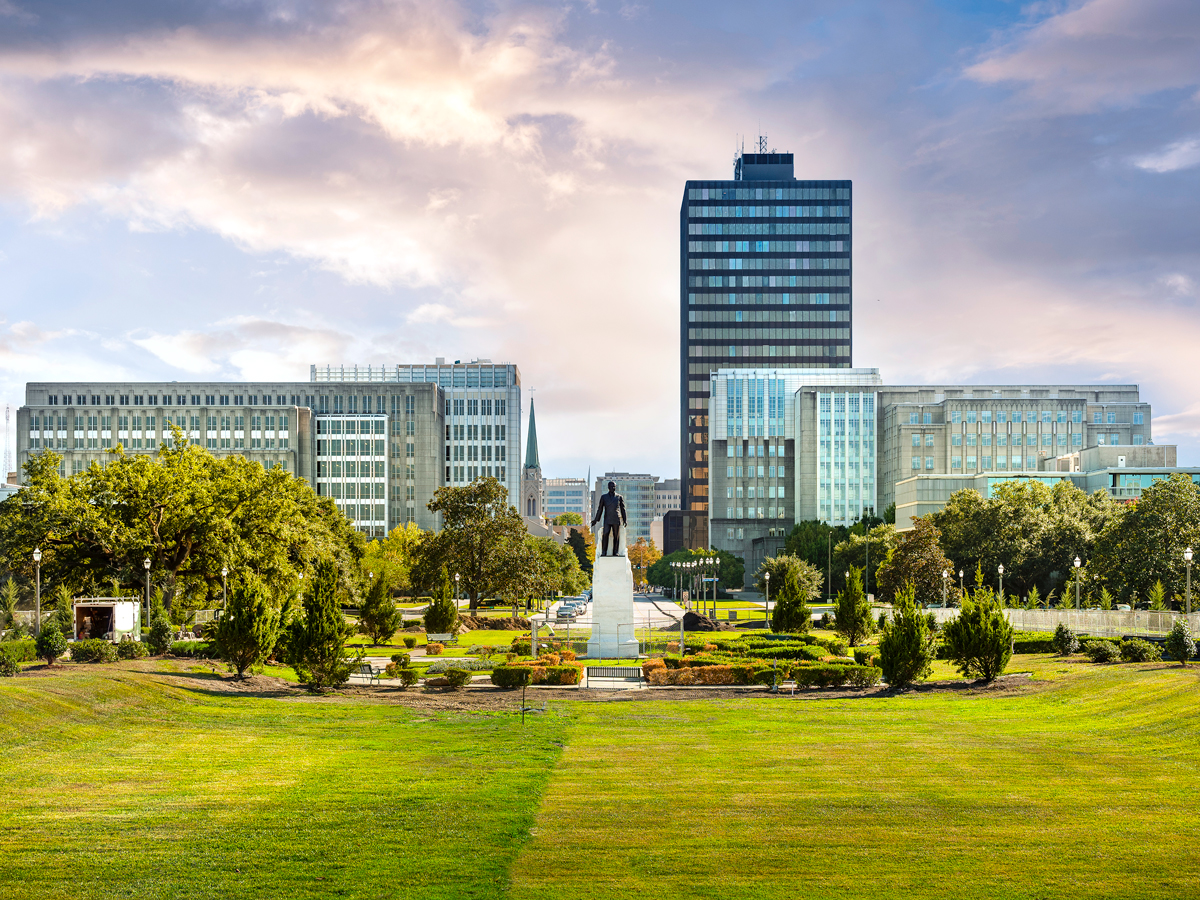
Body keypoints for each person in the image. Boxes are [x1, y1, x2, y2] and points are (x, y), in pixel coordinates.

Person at [591, 481, 627, 557]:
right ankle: (604, 551)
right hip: (607, 519)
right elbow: (600, 509)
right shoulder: (604, 497)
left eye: (614, 486)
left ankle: (615, 551)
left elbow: (623, 509)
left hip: (616, 519)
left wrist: (625, 520)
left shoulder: (619, 497)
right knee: (605, 534)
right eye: (611, 486)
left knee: (616, 536)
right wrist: (596, 520)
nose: (613, 488)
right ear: (608, 487)